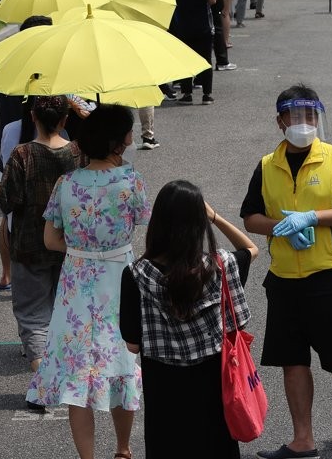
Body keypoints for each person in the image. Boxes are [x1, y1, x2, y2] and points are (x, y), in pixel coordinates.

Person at [240, 84, 332, 459]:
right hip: (283, 278)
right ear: (281, 121)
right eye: (296, 117)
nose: (304, 123)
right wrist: (280, 228)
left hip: (329, 275)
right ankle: (304, 440)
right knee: (292, 358)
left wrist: (313, 217)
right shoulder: (268, 165)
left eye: (310, 116)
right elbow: (250, 217)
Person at [27, 105, 149, 459]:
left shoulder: (67, 183)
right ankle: (123, 450)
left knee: (77, 374)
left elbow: (51, 240)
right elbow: (147, 226)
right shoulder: (131, 181)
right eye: (128, 131)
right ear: (119, 141)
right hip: (120, 280)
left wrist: (81, 251)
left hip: (76, 285)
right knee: (121, 364)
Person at [120, 180, 259, 458]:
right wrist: (215, 217)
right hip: (215, 385)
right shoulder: (220, 265)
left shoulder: (136, 275)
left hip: (165, 393)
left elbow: (133, 345)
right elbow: (251, 249)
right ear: (199, 223)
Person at [0, 96, 82, 396]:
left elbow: (9, 201)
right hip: (68, 244)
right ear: (65, 120)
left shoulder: (22, 154)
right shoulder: (76, 153)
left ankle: (45, 382)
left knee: (33, 316)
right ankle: (65, 374)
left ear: (33, 117)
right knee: (64, 311)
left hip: (29, 245)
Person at [0, 14, 53, 290]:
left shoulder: (6, 68)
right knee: (50, 213)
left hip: (7, 144)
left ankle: (7, 274)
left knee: (10, 215)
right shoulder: (49, 73)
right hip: (42, 148)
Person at [170, 0, 218, 105]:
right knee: (205, 60)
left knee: (185, 59)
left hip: (182, 24)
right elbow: (212, 1)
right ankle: (207, 94)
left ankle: (187, 93)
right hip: (202, 25)